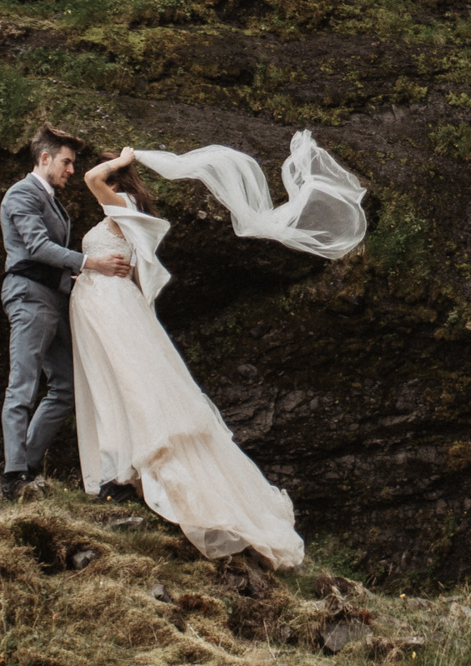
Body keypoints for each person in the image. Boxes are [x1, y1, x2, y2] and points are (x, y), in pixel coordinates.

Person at [69, 133, 368, 569]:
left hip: (112, 309)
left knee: (128, 386)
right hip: (108, 307)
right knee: (116, 386)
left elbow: (92, 178)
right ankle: (120, 469)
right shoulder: (124, 212)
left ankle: (127, 471)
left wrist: (123, 159)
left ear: (117, 177)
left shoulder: (119, 203)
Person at [0, 126, 133, 498]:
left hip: (54, 299)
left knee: (67, 387)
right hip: (29, 296)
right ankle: (12, 476)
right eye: (67, 162)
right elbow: (38, 247)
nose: (71, 170)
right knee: (23, 383)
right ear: (45, 158)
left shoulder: (51, 200)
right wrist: (92, 264)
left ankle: (27, 464)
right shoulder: (22, 193)